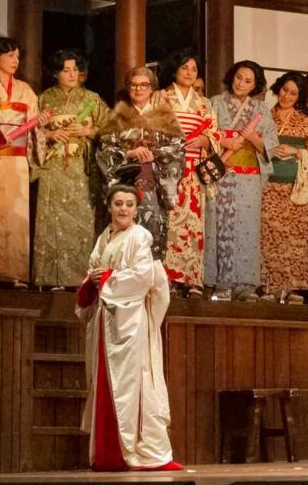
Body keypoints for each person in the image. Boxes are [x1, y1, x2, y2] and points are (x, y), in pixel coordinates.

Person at [76, 184, 181, 473]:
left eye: (129, 204)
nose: (123, 209)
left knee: (132, 383)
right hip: (106, 318)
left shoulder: (139, 236)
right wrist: (92, 281)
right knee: (106, 381)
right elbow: (93, 269)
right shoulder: (104, 237)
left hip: (130, 320)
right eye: (118, 203)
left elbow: (144, 276)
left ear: (136, 209)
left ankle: (142, 451)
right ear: (110, 206)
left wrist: (107, 278)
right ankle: (109, 453)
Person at [35, 50, 111, 288]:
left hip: (81, 167)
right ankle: (50, 278)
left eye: (75, 70)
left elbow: (111, 128)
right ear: (56, 72)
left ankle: (83, 279)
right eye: (66, 70)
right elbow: (32, 131)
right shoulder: (44, 99)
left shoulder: (92, 98)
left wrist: (88, 132)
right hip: (54, 165)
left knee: (83, 221)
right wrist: (49, 133)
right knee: (52, 221)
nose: (71, 74)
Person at [206, 61, 279, 301]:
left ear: (255, 85)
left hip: (249, 177)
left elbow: (271, 144)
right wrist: (223, 141)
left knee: (247, 228)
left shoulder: (260, 109)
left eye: (248, 81)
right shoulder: (215, 102)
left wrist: (254, 138)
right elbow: (205, 134)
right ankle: (220, 282)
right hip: (222, 173)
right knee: (219, 224)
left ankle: (245, 284)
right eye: (239, 77)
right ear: (232, 76)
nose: (241, 83)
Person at [95, 66, 185, 258]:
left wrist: (157, 155)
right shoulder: (117, 116)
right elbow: (104, 150)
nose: (139, 89)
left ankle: (150, 281)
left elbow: (178, 148)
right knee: (123, 228)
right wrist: (128, 153)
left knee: (152, 229)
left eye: (144, 85)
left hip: (153, 181)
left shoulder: (165, 116)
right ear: (127, 88)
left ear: (152, 88)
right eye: (134, 85)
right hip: (125, 182)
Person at [0, 37, 49, 285]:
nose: (15, 61)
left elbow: (32, 124)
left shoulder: (25, 89)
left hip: (17, 157)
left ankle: (16, 271)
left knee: (17, 212)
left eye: (18, 57)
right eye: (10, 55)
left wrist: (38, 124)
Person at [156, 49, 219, 295]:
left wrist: (205, 140)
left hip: (193, 171)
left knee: (194, 223)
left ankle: (192, 278)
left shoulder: (204, 103)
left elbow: (214, 132)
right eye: (185, 68)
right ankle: (167, 278)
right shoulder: (161, 98)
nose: (190, 73)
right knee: (168, 223)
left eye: (194, 69)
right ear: (175, 70)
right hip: (168, 168)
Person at [263, 72, 308, 303]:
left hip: (294, 188)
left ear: (299, 97)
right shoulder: (265, 117)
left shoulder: (306, 122)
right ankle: (267, 285)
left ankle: (292, 288)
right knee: (268, 235)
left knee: (295, 237)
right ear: (278, 89)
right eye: (284, 90)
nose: (287, 96)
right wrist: (269, 150)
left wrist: (297, 151)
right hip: (268, 186)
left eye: (293, 93)